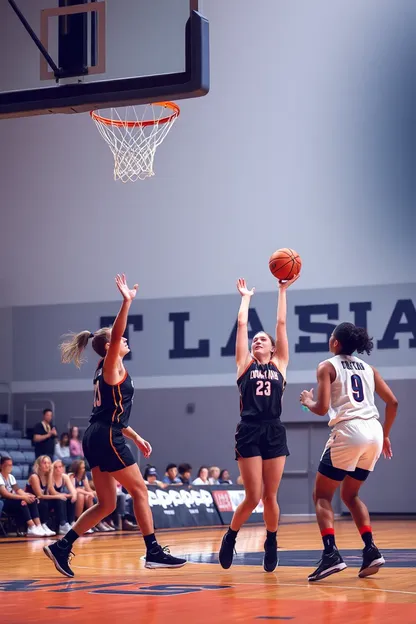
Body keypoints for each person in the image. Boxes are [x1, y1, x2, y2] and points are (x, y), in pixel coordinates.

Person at [43, 274, 186, 577]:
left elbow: (111, 411)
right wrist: (126, 302)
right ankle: (153, 552)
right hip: (105, 435)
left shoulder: (103, 369)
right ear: (110, 346)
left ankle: (61, 547)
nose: (125, 340)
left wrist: (135, 436)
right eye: (119, 339)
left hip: (99, 433)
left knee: (107, 503)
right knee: (140, 492)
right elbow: (117, 332)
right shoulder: (111, 364)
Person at [300, 322, 398, 582]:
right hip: (374, 432)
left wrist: (307, 401)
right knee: (351, 495)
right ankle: (371, 549)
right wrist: (385, 434)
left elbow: (321, 409)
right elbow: (393, 402)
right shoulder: (369, 368)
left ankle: (331, 554)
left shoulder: (326, 366)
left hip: (349, 430)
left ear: (335, 343)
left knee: (321, 496)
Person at [219, 275, 298, 572]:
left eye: (262, 339)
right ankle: (231, 536)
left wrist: (281, 290)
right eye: (255, 339)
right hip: (249, 429)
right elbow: (242, 326)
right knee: (253, 497)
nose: (257, 340)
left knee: (270, 495)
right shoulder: (244, 364)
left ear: (273, 348)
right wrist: (246, 298)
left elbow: (281, 325)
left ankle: (272, 541)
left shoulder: (280, 364)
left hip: (274, 429)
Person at [27, 455, 72, 536]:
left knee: (61, 500)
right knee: (46, 501)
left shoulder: (48, 476)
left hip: (42, 502)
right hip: (32, 502)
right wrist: (58, 496)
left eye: (49, 463)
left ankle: (63, 524)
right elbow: (40, 495)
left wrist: (51, 473)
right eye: (44, 463)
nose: (47, 465)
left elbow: (50, 492)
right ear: (39, 465)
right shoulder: (34, 476)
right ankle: (43, 525)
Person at [0, 456, 45, 536]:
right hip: (3, 502)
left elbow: (18, 490)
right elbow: (5, 494)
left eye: (11, 465)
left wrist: (28, 495)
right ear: (1, 466)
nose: (10, 467)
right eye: (8, 465)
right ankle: (31, 527)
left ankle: (39, 526)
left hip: (12, 501)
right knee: (22, 501)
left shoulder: (11, 477)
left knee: (31, 500)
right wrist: (23, 497)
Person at [51, 460, 77, 533]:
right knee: (62, 499)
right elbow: (52, 492)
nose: (58, 469)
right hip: (51, 499)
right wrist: (61, 495)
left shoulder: (65, 476)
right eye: (55, 467)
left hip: (59, 497)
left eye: (60, 467)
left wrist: (74, 495)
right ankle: (63, 524)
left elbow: (73, 489)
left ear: (63, 468)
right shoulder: (51, 477)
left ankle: (72, 522)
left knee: (71, 498)